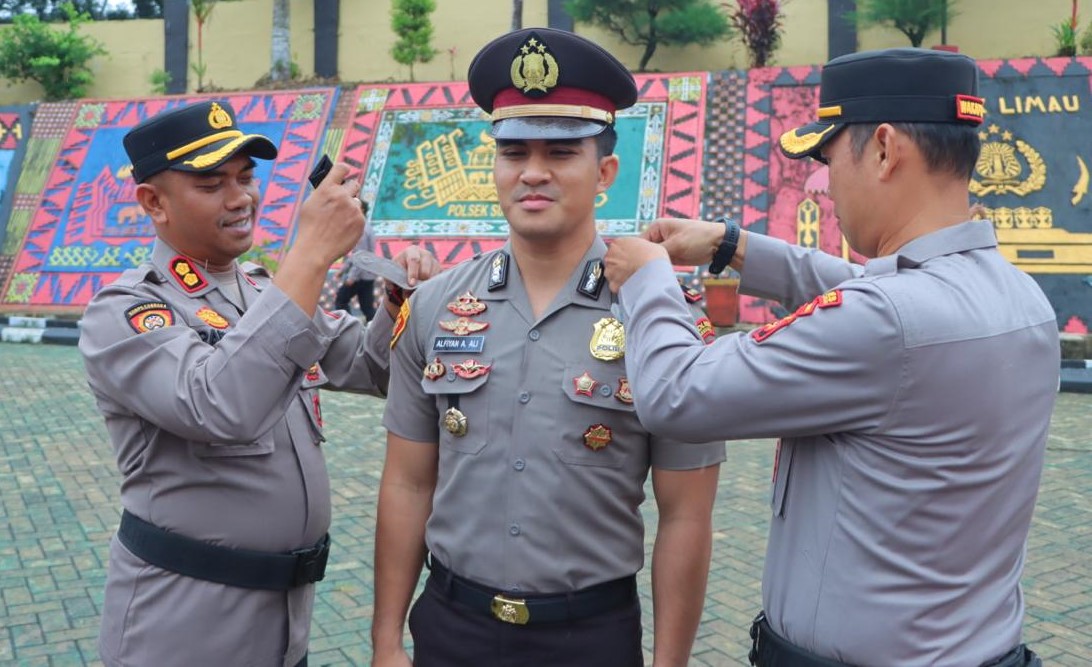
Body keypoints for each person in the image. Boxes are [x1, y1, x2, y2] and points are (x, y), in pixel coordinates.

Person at [603, 48, 1058, 666]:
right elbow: (873, 295)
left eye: (827, 157)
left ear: (884, 150)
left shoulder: (885, 323)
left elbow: (675, 394)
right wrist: (731, 246)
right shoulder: (1016, 295)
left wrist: (649, 282)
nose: (826, 182)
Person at [371, 28, 725, 667]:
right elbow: (405, 483)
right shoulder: (433, 306)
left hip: (589, 638)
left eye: (562, 152)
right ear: (495, 165)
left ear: (605, 172)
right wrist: (386, 640)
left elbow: (686, 517)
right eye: (514, 152)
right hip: (451, 629)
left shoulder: (661, 318)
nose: (533, 172)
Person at [78, 99, 440, 667]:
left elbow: (373, 369)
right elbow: (218, 406)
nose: (240, 197)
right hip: (184, 627)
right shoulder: (127, 310)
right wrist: (313, 253)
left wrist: (400, 304)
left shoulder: (260, 289)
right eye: (211, 183)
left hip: (283, 622)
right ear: (153, 201)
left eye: (246, 177)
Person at [334, 199, 378, 319]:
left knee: (341, 300)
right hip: (367, 274)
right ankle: (375, 331)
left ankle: (347, 328)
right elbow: (356, 254)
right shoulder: (364, 227)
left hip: (361, 276)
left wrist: (352, 277)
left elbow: (361, 256)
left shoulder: (362, 230)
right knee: (367, 308)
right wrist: (343, 270)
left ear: (361, 210)